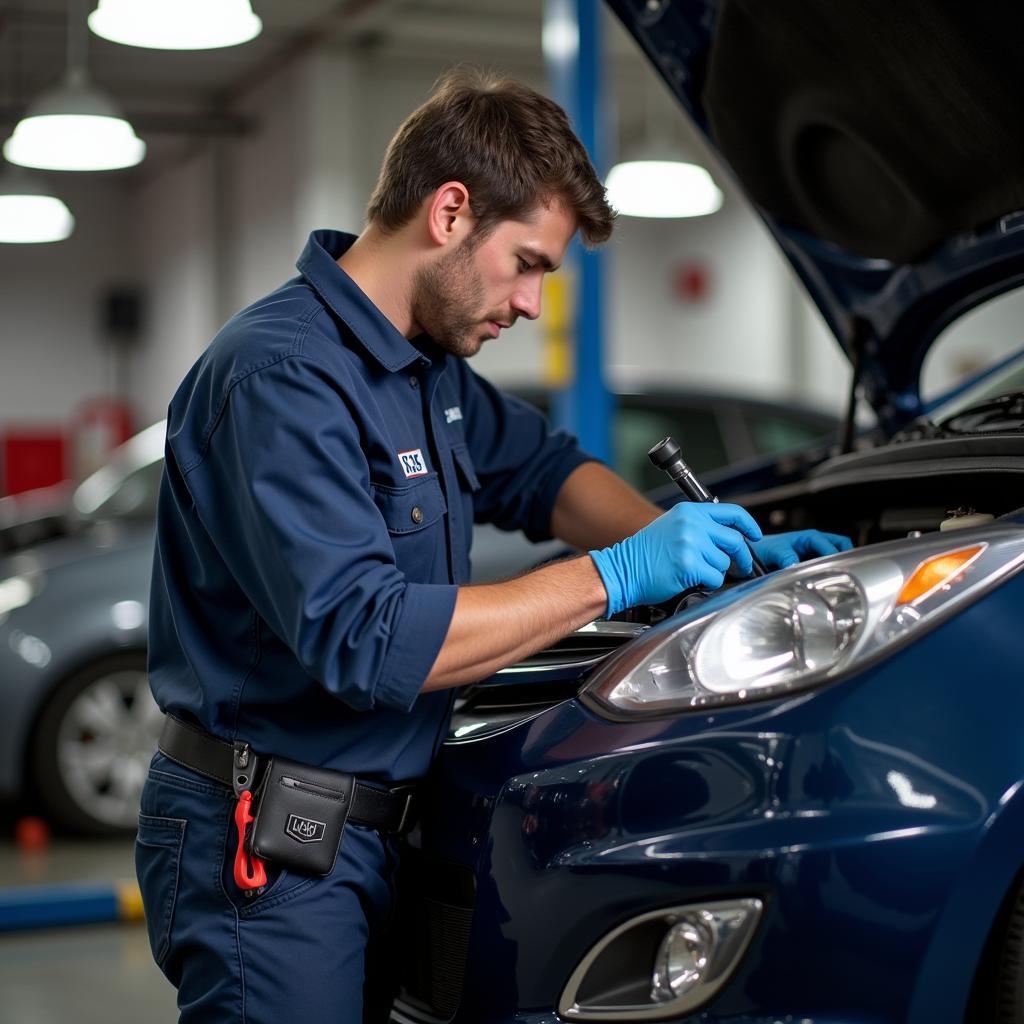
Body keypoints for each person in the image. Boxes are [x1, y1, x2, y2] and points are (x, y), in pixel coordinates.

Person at [136, 68, 851, 1024]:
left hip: (385, 829)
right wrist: (620, 575)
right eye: (528, 264)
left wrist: (709, 551)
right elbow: (372, 640)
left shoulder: (424, 369)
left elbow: (545, 471)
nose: (529, 303)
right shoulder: (282, 377)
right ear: (449, 211)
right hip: (272, 844)